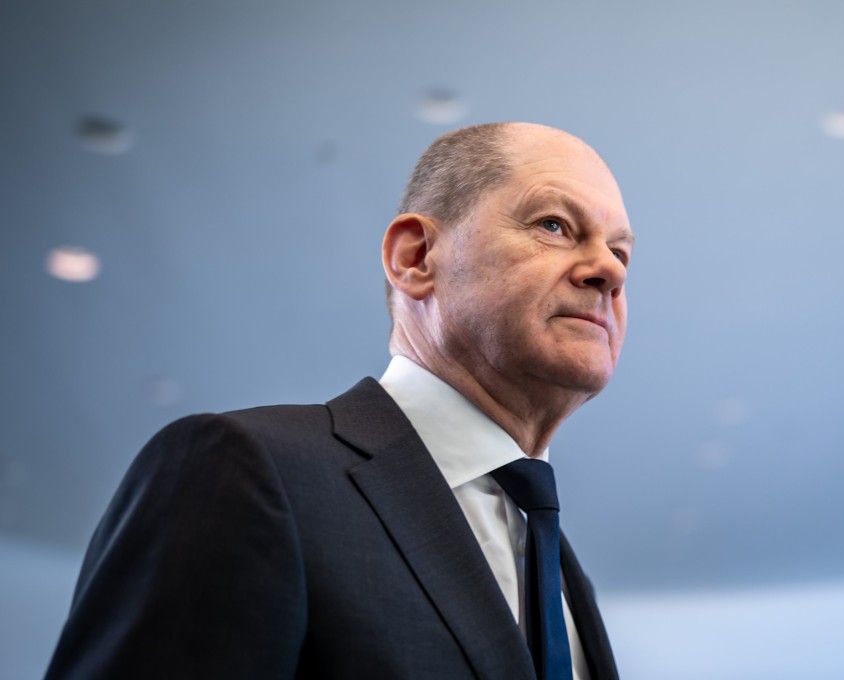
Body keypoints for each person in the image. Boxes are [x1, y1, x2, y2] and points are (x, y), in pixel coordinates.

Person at [45, 122, 633, 680]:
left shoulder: (555, 563)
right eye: (554, 224)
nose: (609, 269)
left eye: (622, 252)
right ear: (416, 258)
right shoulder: (245, 470)